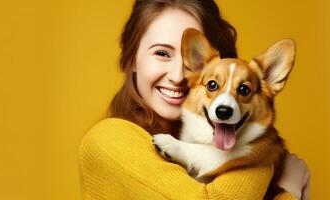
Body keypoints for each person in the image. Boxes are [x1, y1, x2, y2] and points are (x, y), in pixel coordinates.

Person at [79, 0, 310, 199]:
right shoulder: (107, 140)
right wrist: (280, 176)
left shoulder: (212, 139)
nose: (181, 76)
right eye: (162, 53)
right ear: (131, 59)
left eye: (193, 57)